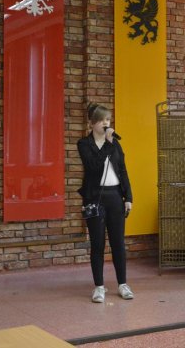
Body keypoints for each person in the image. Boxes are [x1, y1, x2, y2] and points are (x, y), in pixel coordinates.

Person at [77, 103, 134, 303]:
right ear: (92, 123)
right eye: (101, 120)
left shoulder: (115, 144)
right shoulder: (84, 144)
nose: (106, 123)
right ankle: (99, 287)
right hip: (95, 198)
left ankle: (123, 284)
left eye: (108, 119)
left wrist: (128, 197)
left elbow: (123, 170)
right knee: (98, 244)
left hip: (115, 196)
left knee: (118, 243)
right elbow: (94, 167)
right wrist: (108, 144)